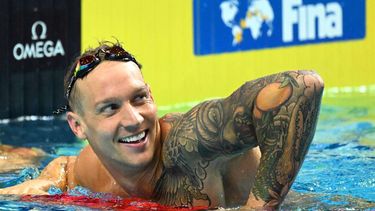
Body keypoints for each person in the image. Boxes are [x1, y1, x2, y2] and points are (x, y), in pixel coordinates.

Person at [0, 41, 324, 209]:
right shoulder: (95, 164)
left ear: (151, 94)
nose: (133, 119)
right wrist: (46, 180)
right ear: (77, 127)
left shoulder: (189, 143)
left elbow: (302, 86)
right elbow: (66, 166)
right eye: (110, 109)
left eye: (139, 98)